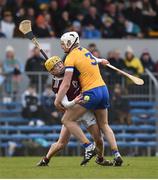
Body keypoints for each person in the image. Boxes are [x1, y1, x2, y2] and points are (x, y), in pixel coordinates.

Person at [55, 31, 123, 166]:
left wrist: (58, 100)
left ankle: (88, 145)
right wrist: (101, 60)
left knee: (66, 119)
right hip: (103, 90)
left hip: (90, 93)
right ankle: (116, 154)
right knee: (104, 124)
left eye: (63, 43)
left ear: (70, 43)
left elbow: (66, 83)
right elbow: (93, 59)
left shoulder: (70, 58)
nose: (62, 46)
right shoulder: (84, 50)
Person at [37, 56, 113, 166]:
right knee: (61, 143)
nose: (60, 66)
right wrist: (75, 101)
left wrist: (101, 61)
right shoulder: (56, 85)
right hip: (72, 111)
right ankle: (46, 159)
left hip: (84, 109)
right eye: (56, 66)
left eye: (60, 63)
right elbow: (65, 103)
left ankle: (100, 159)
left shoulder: (70, 70)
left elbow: (86, 60)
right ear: (52, 72)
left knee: (99, 139)